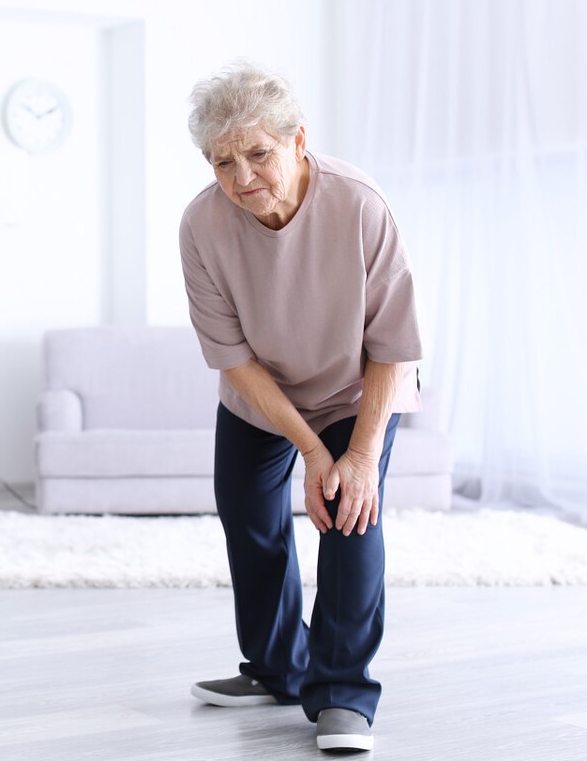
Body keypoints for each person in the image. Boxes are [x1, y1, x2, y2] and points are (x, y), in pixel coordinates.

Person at [180, 62, 423, 753]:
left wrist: (359, 454)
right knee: (250, 518)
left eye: (257, 153)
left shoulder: (360, 205)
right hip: (263, 393)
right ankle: (277, 667)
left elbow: (395, 343)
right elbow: (233, 357)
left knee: (351, 515)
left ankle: (343, 692)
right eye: (222, 161)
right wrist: (310, 450)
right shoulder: (201, 225)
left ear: (298, 141)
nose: (242, 176)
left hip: (356, 386)